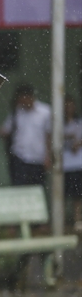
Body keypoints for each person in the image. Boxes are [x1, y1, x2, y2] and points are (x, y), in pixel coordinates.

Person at [0, 83, 52, 187]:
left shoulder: (45, 112)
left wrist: (48, 156)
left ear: (29, 97)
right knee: (19, 187)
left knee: (37, 188)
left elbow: (49, 135)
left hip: (38, 157)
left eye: (23, 100)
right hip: (19, 156)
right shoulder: (16, 112)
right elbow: (5, 130)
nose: (21, 103)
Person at [64, 94, 82, 232]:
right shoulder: (59, 124)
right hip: (65, 165)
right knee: (64, 196)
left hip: (78, 163)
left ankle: (77, 221)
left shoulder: (79, 122)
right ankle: (64, 222)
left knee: (78, 195)